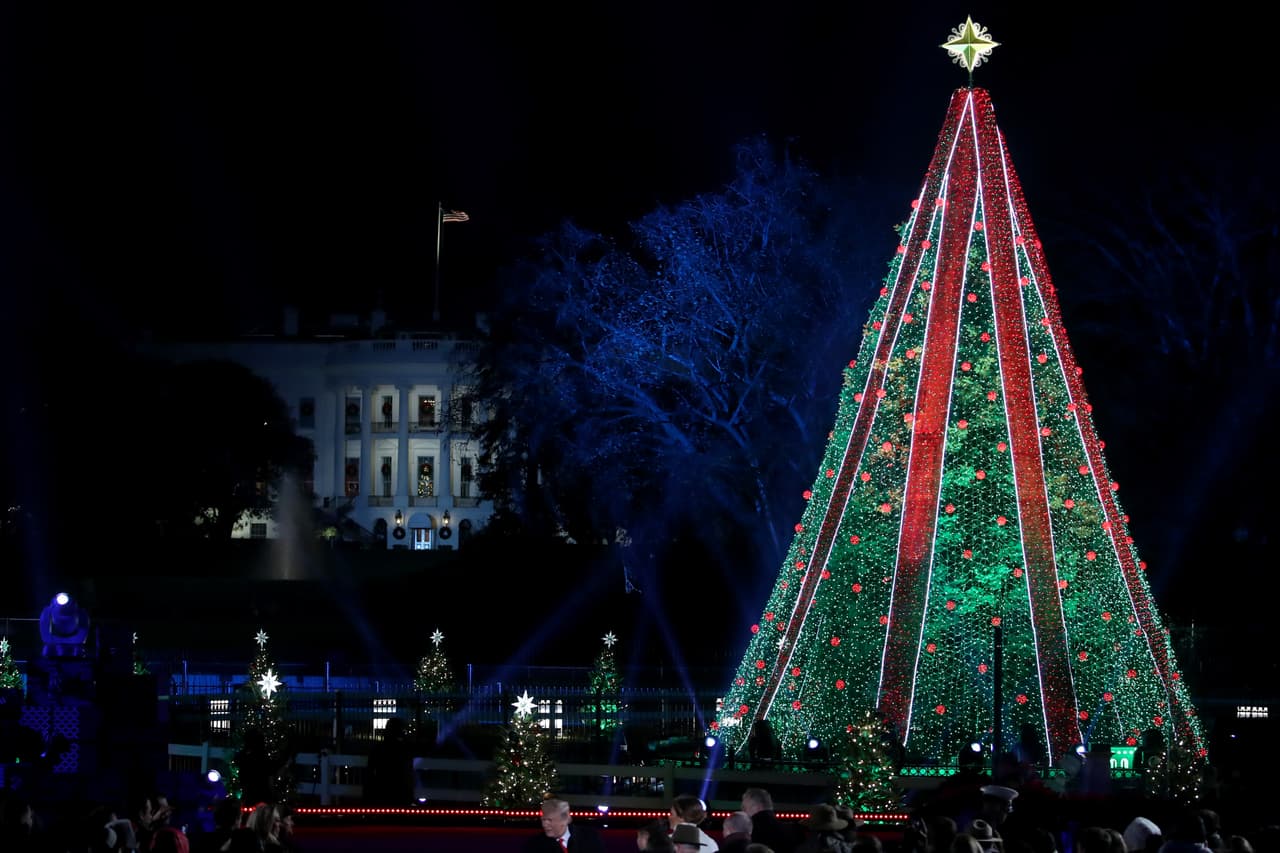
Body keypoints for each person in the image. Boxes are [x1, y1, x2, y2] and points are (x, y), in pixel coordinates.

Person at [522, 797, 606, 853]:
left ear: (565, 819)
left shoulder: (590, 837)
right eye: (543, 820)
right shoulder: (535, 844)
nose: (544, 825)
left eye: (550, 820)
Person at [365, 717, 416, 806]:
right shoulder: (403, 749)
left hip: (381, 789)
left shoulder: (378, 748)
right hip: (399, 791)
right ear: (399, 731)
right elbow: (408, 771)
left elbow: (370, 771)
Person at [742, 787, 802, 853]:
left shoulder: (747, 834)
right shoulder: (793, 831)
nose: (743, 811)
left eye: (745, 808)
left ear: (756, 807)